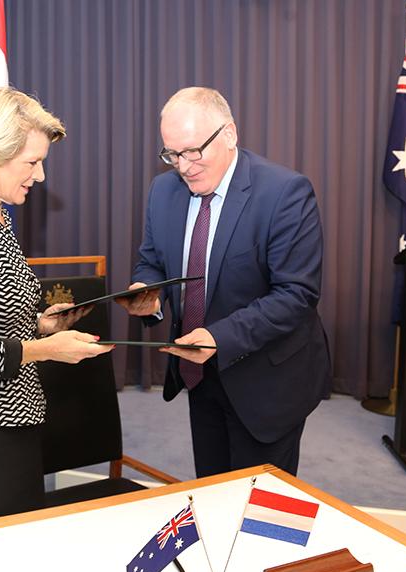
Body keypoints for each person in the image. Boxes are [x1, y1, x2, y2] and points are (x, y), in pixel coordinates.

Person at [0, 87, 114, 524]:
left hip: (13, 417)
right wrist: (47, 351)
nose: (41, 176)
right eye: (32, 162)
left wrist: (40, 324)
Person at [118, 87, 330, 478]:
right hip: (199, 374)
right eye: (172, 154)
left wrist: (220, 338)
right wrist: (147, 293)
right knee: (213, 490)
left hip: (267, 378)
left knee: (259, 511)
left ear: (229, 134)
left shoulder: (285, 192)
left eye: (193, 151)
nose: (183, 166)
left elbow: (296, 294)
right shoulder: (162, 191)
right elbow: (152, 261)